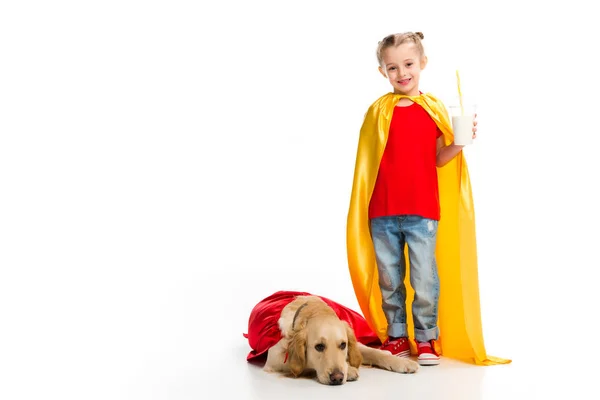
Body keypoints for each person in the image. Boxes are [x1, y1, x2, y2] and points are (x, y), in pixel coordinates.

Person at [347, 31, 477, 366]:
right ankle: (396, 336)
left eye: (408, 64)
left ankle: (426, 338)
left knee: (424, 278)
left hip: (422, 211)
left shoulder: (432, 110)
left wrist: (460, 143)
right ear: (382, 72)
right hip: (383, 211)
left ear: (422, 63)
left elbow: (438, 157)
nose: (402, 73)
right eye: (392, 67)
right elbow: (368, 163)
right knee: (389, 279)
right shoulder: (377, 112)